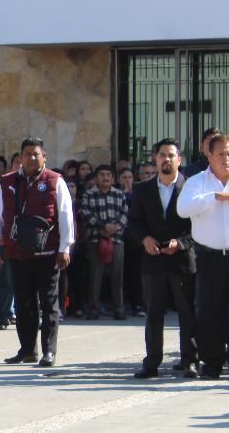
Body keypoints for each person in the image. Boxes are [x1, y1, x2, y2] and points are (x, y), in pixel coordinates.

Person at [0, 138, 74, 368]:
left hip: (48, 253)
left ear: (44, 156)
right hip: (18, 253)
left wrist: (65, 248)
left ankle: (49, 351)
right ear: (21, 158)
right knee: (24, 303)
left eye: (36, 154)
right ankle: (27, 350)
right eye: (27, 154)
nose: (32, 158)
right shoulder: (7, 182)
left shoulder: (55, 181)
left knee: (49, 303)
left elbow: (66, 215)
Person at [127, 139, 197, 378]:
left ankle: (189, 360)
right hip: (153, 259)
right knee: (153, 314)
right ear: (155, 160)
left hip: (182, 260)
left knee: (187, 313)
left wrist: (181, 243)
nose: (166, 159)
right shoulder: (142, 189)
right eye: (161, 155)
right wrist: (144, 239)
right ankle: (152, 362)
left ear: (179, 160)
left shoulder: (190, 188)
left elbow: (197, 226)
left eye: (171, 155)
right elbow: (134, 222)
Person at [176, 132, 229, 379]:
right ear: (209, 154)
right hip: (210, 257)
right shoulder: (197, 181)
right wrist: (214, 197)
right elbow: (182, 208)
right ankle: (212, 362)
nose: (226, 158)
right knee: (209, 310)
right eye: (221, 154)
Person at [79, 165, 128, 320]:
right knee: (95, 276)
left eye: (108, 175)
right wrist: (103, 226)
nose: (105, 177)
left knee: (117, 276)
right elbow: (85, 213)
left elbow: (125, 215)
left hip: (116, 239)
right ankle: (93, 309)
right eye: (102, 175)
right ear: (96, 178)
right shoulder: (88, 194)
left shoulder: (119, 195)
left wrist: (113, 227)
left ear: (113, 179)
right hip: (95, 239)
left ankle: (118, 309)